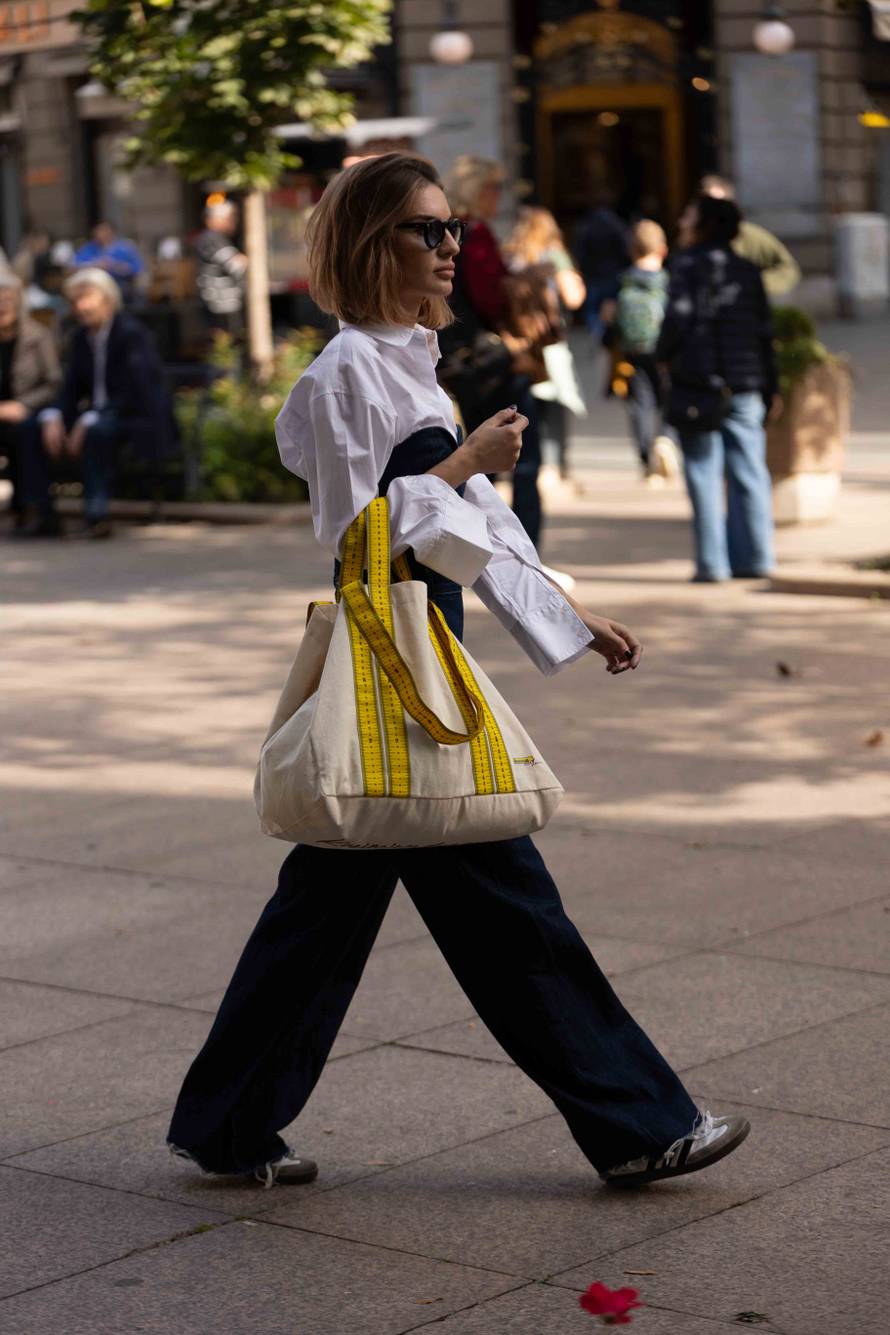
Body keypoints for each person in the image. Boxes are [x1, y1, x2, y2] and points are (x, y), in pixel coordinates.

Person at [165, 152, 750, 1192]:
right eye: (425, 232)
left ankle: (227, 1122)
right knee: (501, 898)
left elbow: (470, 529)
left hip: (420, 643)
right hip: (396, 656)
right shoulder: (346, 372)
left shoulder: (408, 363)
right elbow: (361, 539)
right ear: (367, 243)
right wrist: (459, 461)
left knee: (326, 909)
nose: (450, 248)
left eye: (452, 231)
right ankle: (635, 1123)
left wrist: (570, 608)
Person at [657, 195, 779, 582]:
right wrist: (771, 385)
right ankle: (757, 558)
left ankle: (713, 564)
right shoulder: (747, 269)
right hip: (745, 383)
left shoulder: (685, 265)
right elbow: (765, 332)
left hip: (698, 383)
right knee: (750, 471)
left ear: (705, 224)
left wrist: (663, 354)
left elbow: (677, 321)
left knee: (703, 472)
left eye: (689, 214)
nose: (681, 219)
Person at [19, 267, 176, 539]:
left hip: (134, 417)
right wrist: (54, 415)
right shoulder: (80, 338)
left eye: (86, 298)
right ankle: (44, 515)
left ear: (107, 300)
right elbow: (70, 388)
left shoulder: (131, 335)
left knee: (96, 432)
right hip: (97, 415)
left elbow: (136, 392)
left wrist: (90, 417)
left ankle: (97, 515)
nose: (79, 307)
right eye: (74, 300)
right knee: (30, 428)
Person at [438, 155, 545, 551]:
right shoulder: (475, 234)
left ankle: (485, 548)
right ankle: (524, 552)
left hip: (461, 361)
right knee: (521, 457)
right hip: (490, 361)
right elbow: (490, 299)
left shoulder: (445, 232)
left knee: (485, 460)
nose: (499, 196)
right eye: (495, 188)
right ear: (478, 189)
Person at [504, 205, 587, 480]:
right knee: (554, 401)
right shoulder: (554, 255)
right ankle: (554, 465)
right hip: (548, 339)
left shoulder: (510, 254)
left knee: (528, 404)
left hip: (520, 339)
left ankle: (526, 463)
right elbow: (573, 297)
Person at [614, 220, 680, 482]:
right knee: (669, 398)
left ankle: (645, 458)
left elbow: (611, 319)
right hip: (663, 348)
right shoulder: (667, 281)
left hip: (633, 349)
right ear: (663, 250)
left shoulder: (623, 281)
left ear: (632, 250)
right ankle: (665, 439)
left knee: (641, 402)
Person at [0, 274, 61, 523]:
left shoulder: (37, 336)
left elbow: (54, 382)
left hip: (29, 411)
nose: (2, 307)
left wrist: (23, 405)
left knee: (25, 432)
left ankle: (35, 507)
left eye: (7, 301)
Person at [678, 176, 801, 298]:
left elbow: (787, 267)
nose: (714, 211)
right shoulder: (689, 257)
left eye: (720, 204)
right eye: (709, 205)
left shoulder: (750, 239)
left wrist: (760, 284)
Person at [573, 193, 631, 341]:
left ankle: (598, 339)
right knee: (608, 311)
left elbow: (579, 252)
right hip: (611, 274)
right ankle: (605, 340)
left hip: (594, 276)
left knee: (593, 312)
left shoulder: (586, 225)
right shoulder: (617, 224)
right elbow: (626, 248)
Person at [194, 200, 247, 339]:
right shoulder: (211, 238)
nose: (234, 222)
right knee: (226, 340)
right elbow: (236, 265)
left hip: (224, 301)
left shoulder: (218, 238)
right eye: (229, 218)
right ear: (215, 220)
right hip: (221, 302)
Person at [73, 222, 145, 303]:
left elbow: (137, 268)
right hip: (93, 287)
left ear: (112, 232)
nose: (101, 234)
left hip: (119, 285)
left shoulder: (125, 248)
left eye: (104, 230)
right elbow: (75, 266)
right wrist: (95, 265)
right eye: (98, 231)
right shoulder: (87, 248)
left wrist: (116, 266)